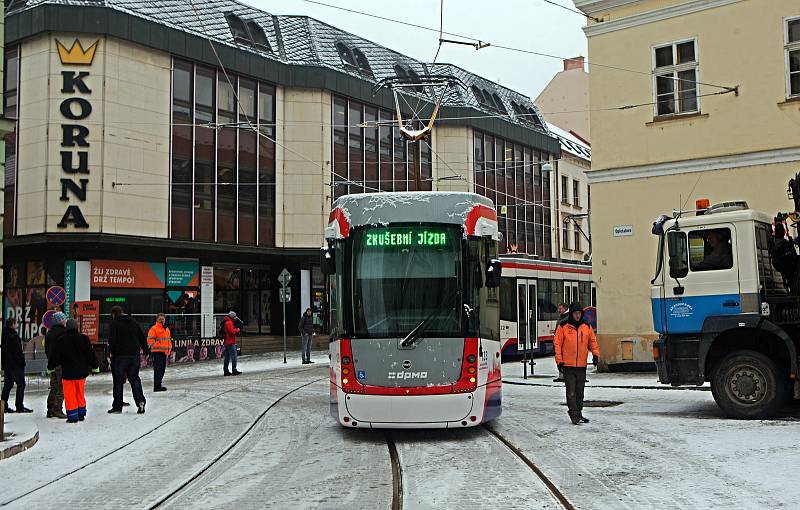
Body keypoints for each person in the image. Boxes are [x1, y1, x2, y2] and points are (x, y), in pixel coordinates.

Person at [554, 303, 600, 425]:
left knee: (580, 392)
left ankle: (578, 413)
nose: (577, 315)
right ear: (571, 314)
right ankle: (574, 414)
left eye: (579, 313)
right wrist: (559, 362)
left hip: (581, 365)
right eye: (575, 313)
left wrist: (596, 355)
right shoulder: (563, 326)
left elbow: (592, 342)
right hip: (568, 365)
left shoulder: (586, 326)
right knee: (571, 392)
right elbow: (557, 345)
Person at [47, 320, 99, 423]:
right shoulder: (84, 339)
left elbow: (55, 356)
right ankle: (81, 414)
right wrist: (95, 366)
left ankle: (72, 416)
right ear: (77, 327)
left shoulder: (62, 340)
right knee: (80, 392)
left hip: (68, 373)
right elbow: (90, 354)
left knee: (70, 395)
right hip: (81, 373)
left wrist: (51, 367)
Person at [108, 306, 149, 414]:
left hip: (119, 356)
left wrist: (110, 353)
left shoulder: (114, 324)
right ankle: (140, 401)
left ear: (113, 314)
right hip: (133, 356)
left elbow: (111, 340)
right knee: (134, 379)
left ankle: (117, 407)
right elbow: (141, 337)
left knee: (118, 381)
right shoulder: (133, 322)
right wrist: (145, 350)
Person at [2, 318, 32, 413]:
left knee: (8, 385)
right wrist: (21, 362)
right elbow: (17, 352)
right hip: (15, 365)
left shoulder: (5, 335)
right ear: (12, 324)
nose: (17, 325)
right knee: (21, 384)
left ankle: (3, 406)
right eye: (15, 323)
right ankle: (19, 405)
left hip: (8, 365)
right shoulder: (13, 336)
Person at [44, 312, 68, 419]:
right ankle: (58, 409)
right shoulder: (63, 333)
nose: (66, 321)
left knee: (53, 387)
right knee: (61, 387)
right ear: (60, 321)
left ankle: (50, 409)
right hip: (61, 363)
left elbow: (47, 349)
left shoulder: (49, 333)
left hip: (51, 363)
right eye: (64, 319)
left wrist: (50, 361)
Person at [147, 313, 172, 392]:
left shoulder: (166, 329)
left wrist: (169, 348)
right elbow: (150, 340)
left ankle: (158, 385)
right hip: (157, 352)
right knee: (158, 370)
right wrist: (159, 345)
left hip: (164, 353)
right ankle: (157, 386)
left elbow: (168, 340)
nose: (162, 320)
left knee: (162, 370)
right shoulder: (154, 329)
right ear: (156, 320)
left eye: (163, 319)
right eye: (160, 319)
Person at [552, 303, 569, 383]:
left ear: (565, 308)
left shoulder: (568, 317)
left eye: (560, 308)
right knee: (559, 358)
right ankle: (561, 375)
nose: (559, 310)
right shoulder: (562, 316)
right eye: (558, 308)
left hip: (564, 342)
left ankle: (565, 376)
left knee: (564, 359)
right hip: (559, 340)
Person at [222, 311, 242, 376]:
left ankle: (226, 371)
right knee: (234, 357)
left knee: (227, 357)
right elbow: (232, 331)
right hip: (230, 342)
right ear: (232, 317)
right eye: (234, 317)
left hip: (227, 342)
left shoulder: (227, 322)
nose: (235, 318)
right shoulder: (229, 322)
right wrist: (238, 329)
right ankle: (234, 370)